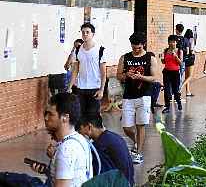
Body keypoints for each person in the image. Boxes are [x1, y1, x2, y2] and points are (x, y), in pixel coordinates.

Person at [0, 93, 93, 187]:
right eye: (46, 113)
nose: (45, 118)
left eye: (51, 114)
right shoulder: (80, 139)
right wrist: (49, 169)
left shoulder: (66, 150)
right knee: (20, 180)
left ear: (65, 117)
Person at [116, 32, 157, 165]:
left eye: (138, 47)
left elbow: (154, 77)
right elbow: (118, 75)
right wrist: (126, 75)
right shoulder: (125, 58)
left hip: (144, 95)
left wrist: (141, 77)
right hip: (128, 96)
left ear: (143, 44)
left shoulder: (150, 57)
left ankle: (138, 153)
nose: (136, 50)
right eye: (134, 47)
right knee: (126, 127)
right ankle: (136, 142)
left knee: (140, 125)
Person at [77, 115, 134, 186]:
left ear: (89, 127)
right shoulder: (113, 136)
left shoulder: (99, 145)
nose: (80, 135)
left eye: (80, 131)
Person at [68, 23, 107, 119]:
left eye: (87, 32)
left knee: (93, 118)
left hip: (94, 88)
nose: (85, 34)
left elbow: (103, 73)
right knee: (80, 117)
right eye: (83, 32)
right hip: (80, 88)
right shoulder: (78, 50)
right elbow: (75, 70)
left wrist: (101, 89)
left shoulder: (100, 50)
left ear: (92, 34)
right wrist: (70, 87)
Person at [161, 35, 183, 113]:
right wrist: (162, 58)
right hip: (167, 72)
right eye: (170, 41)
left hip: (175, 73)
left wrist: (176, 57)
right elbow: (164, 62)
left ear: (176, 42)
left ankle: (179, 102)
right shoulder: (166, 50)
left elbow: (181, 63)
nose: (171, 43)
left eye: (173, 42)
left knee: (175, 90)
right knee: (166, 90)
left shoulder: (179, 51)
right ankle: (167, 106)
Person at [180, 29, 196, 97]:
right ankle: (181, 86)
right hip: (190, 58)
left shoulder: (183, 39)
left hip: (184, 59)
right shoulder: (191, 40)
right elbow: (191, 50)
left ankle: (188, 92)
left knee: (186, 76)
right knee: (190, 76)